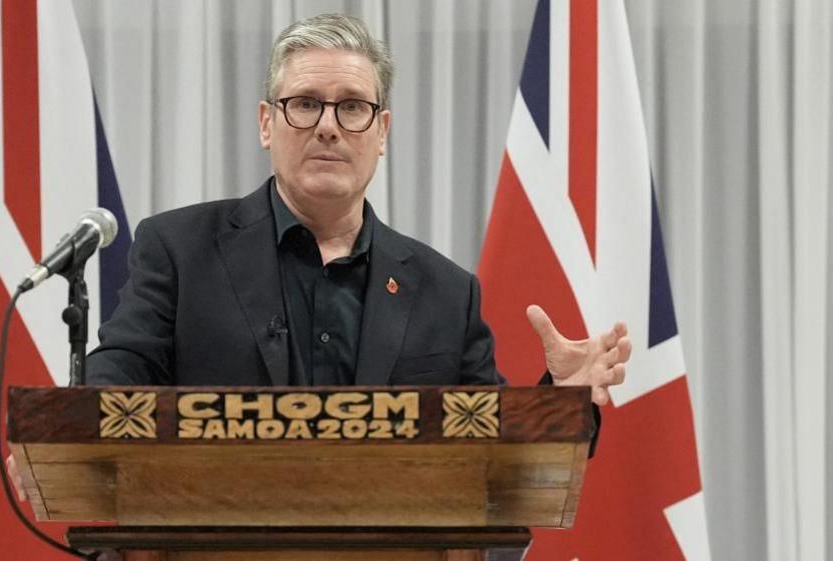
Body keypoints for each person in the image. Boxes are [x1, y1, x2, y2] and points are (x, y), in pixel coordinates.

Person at [85, 13, 630, 406]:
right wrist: (63, 433)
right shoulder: (179, 251)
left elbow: (492, 447)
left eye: (352, 106)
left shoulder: (446, 292)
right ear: (266, 123)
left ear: (382, 130)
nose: (327, 125)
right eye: (304, 103)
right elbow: (117, 380)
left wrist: (564, 398)